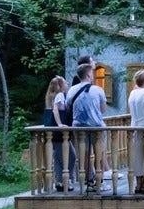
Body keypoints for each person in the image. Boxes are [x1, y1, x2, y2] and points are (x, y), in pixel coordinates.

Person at [67, 62, 108, 193]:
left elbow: (68, 106)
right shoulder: (98, 90)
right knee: (99, 154)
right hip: (96, 126)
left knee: (84, 155)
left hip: (79, 126)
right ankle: (99, 181)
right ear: (89, 75)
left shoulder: (72, 90)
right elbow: (103, 109)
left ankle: (88, 181)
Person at [44, 76, 76, 192]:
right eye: (65, 83)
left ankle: (60, 181)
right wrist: (60, 124)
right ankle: (64, 181)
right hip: (59, 132)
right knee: (70, 155)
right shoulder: (60, 95)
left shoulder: (51, 96)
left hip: (54, 133)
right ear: (60, 85)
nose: (67, 84)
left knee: (58, 156)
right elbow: (55, 110)